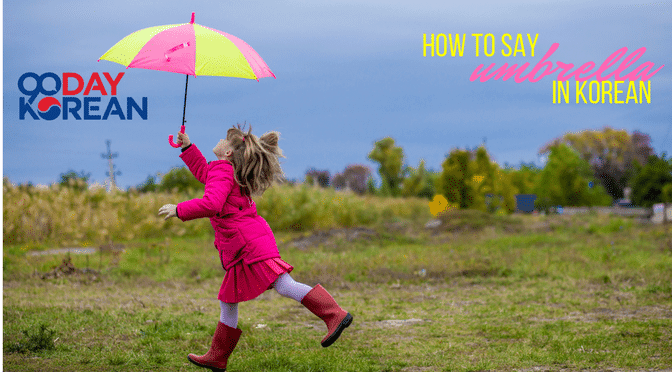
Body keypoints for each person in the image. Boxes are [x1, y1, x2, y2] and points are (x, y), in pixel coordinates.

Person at [158, 125, 352, 372]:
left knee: (283, 285)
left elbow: (212, 203)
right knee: (230, 300)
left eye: (222, 139)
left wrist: (180, 209)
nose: (218, 140)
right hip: (250, 240)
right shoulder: (226, 171)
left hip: (246, 244)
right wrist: (187, 147)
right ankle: (217, 357)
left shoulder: (223, 171)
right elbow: (204, 172)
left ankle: (334, 314)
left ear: (228, 152)